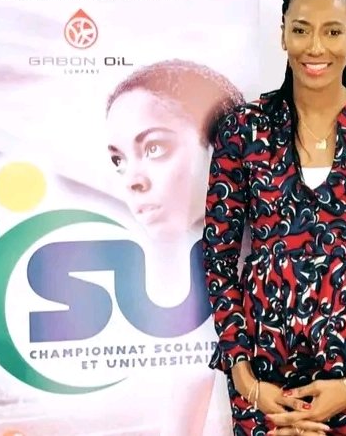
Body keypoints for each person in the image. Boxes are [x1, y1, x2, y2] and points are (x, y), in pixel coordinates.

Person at [201, 0, 346, 436]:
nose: (316, 47)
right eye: (301, 30)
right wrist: (245, 379)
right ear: (283, 35)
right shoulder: (244, 128)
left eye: (333, 31)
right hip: (263, 373)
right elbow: (218, 258)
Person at [105, 59, 245, 436]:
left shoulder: (295, 230)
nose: (132, 180)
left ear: (223, 142)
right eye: (118, 160)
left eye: (154, 147)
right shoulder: (203, 256)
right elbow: (194, 376)